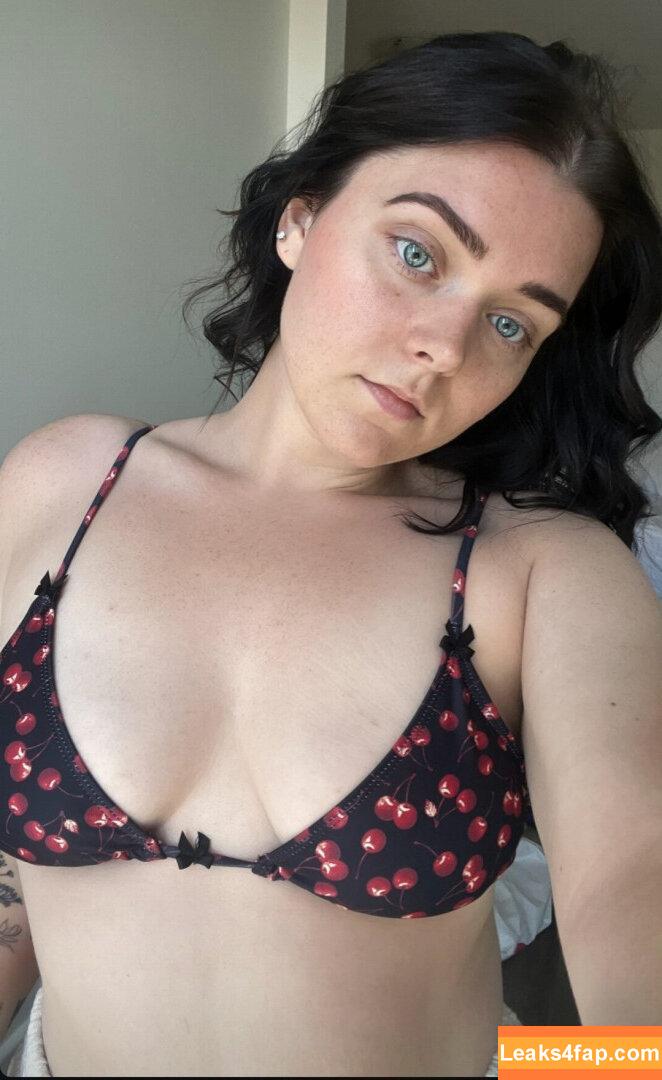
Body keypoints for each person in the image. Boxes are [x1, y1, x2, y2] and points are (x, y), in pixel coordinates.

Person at [1, 29, 661, 1078]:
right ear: (301, 219)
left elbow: (635, 916)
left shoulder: (545, 574)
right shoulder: (65, 484)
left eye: (509, 325)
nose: (442, 347)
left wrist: (583, 1073)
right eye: (418, 254)